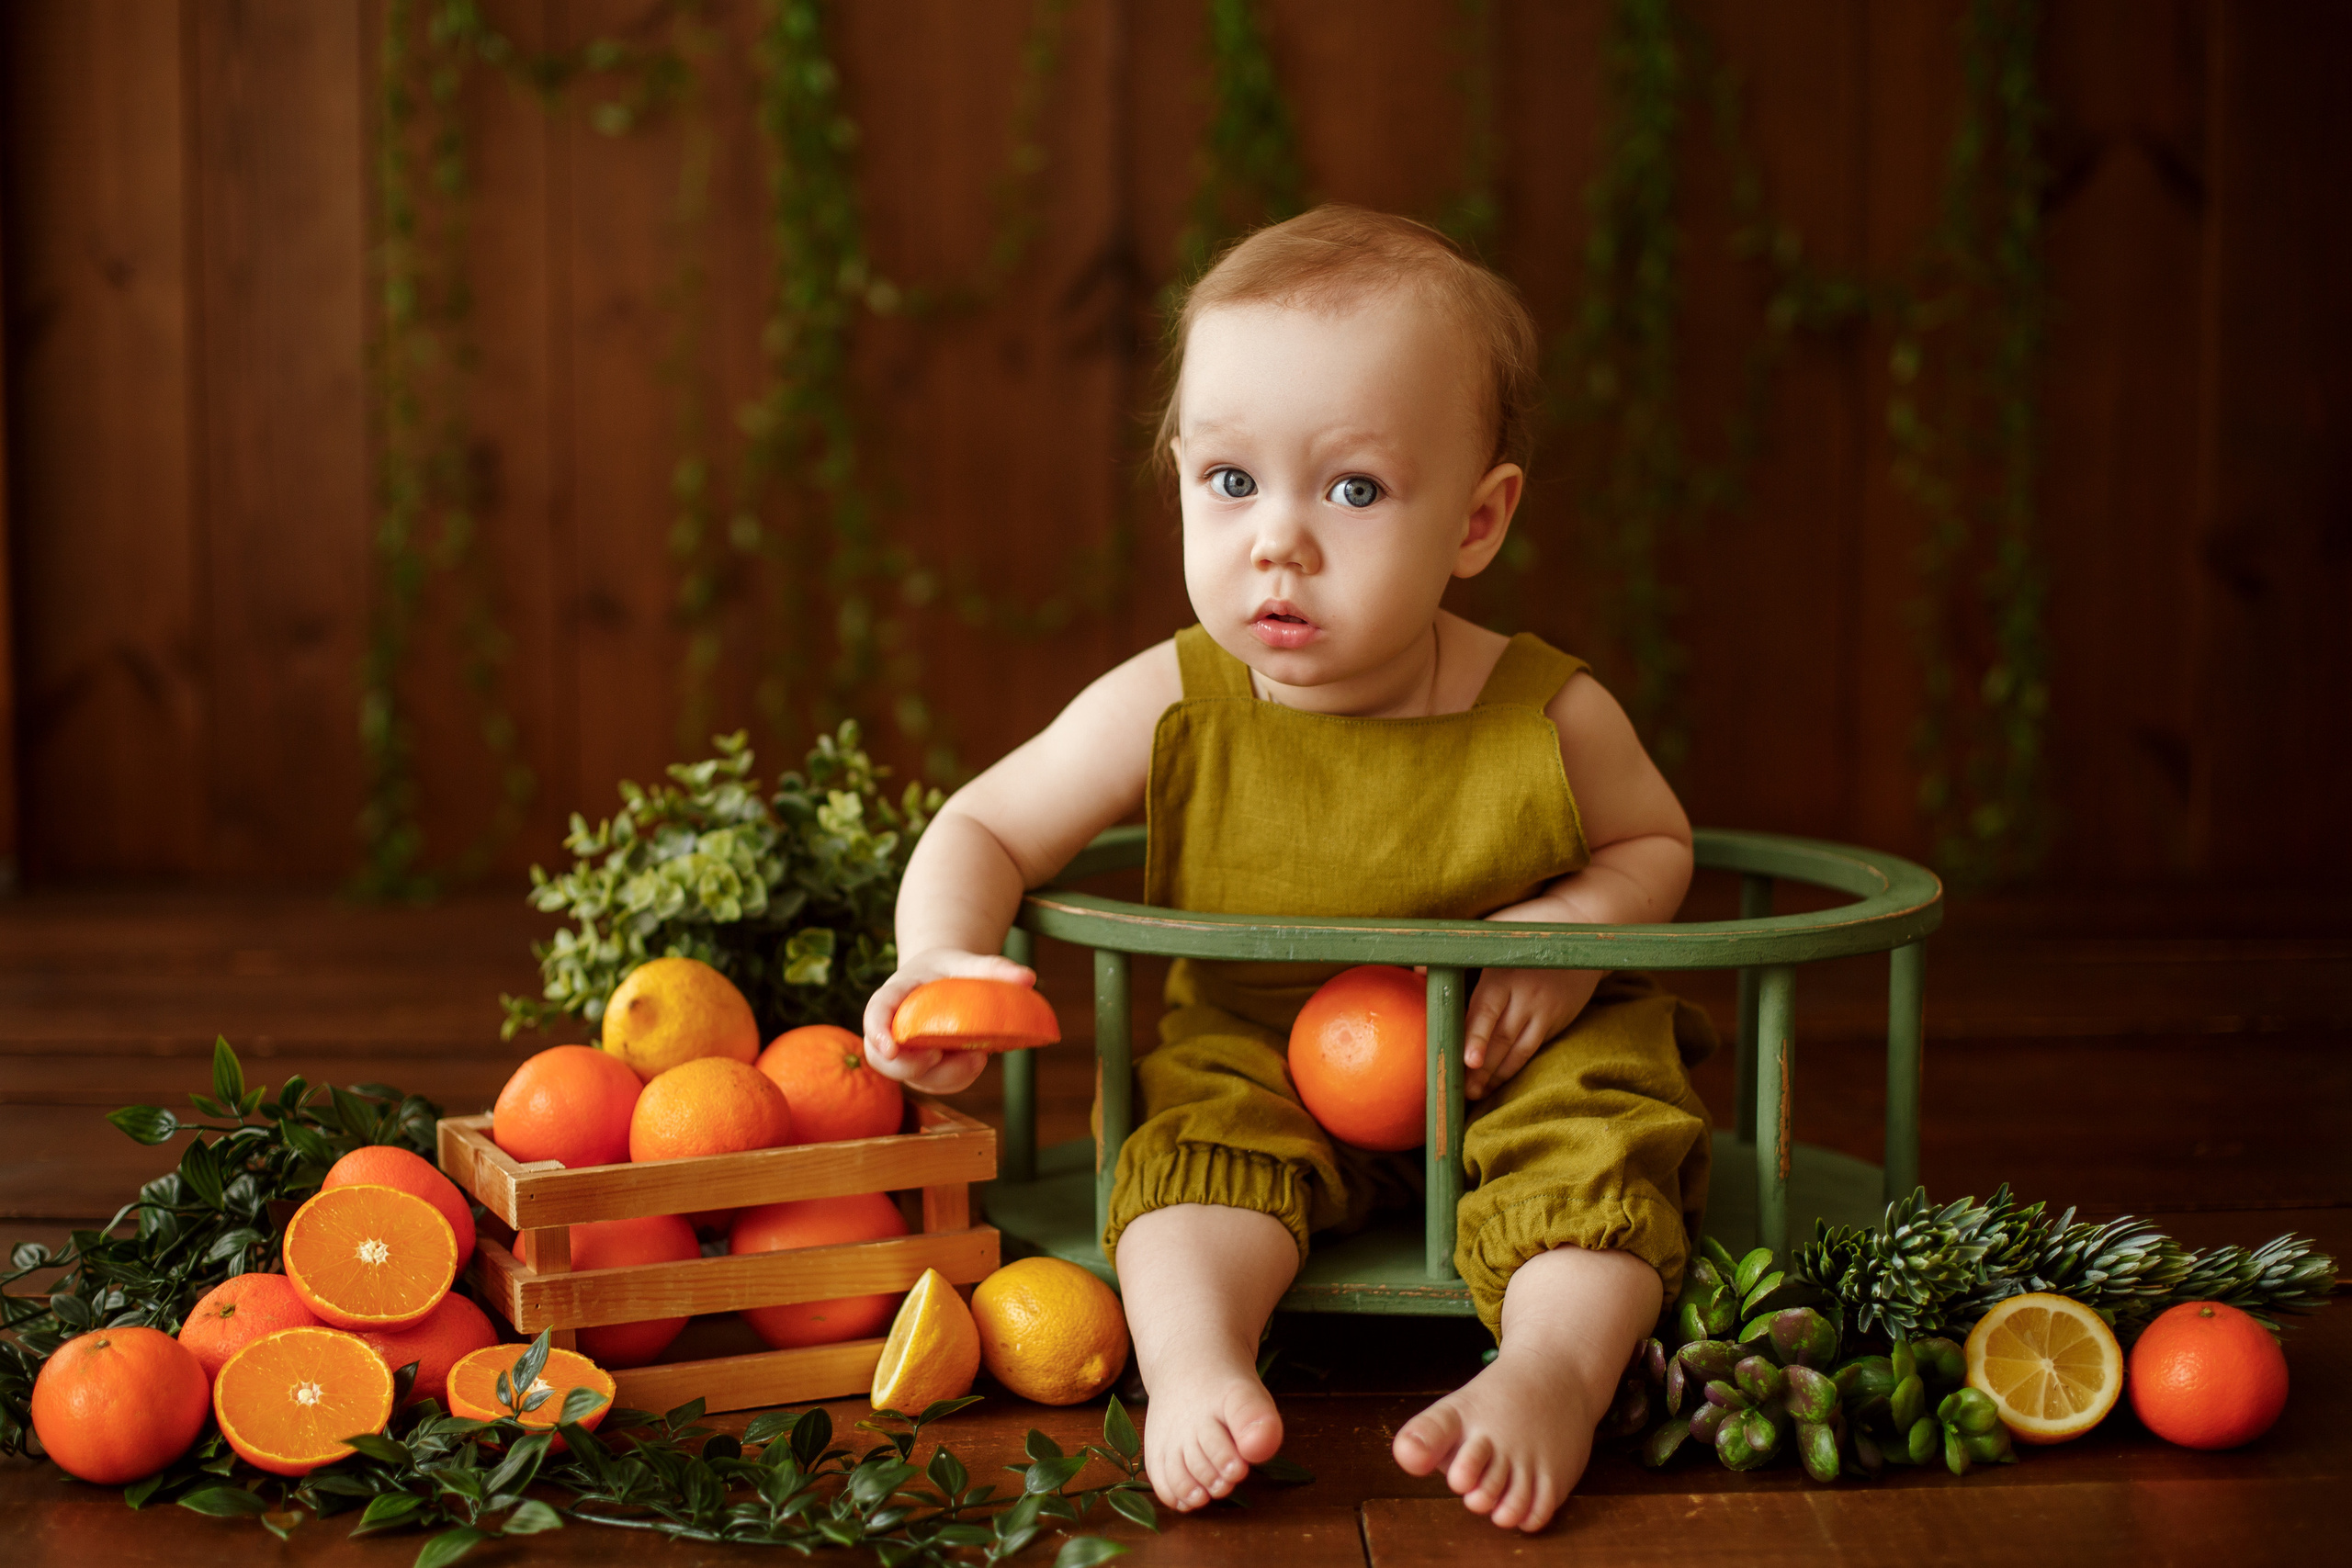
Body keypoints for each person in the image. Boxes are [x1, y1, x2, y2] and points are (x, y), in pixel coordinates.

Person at [860, 206, 1713, 1534]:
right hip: (1258, 1052)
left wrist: (1571, 937)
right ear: (1183, 481)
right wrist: (945, 955)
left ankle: (1552, 1371)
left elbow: (1656, 843)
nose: (1280, 541)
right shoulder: (1174, 699)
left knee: (1598, 1145)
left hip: (1510, 1047)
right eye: (1231, 482)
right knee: (1188, 1158)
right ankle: (1196, 1363)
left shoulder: (1547, 712)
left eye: (1354, 490)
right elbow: (984, 825)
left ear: (1478, 522)